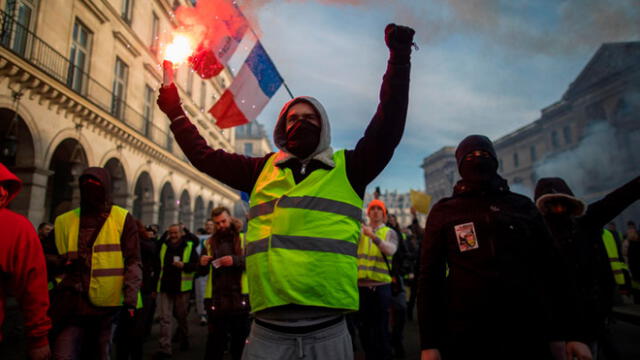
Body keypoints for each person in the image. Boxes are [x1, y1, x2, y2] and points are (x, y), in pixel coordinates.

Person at [157, 23, 414, 360]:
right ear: (282, 129)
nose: (300, 123)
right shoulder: (260, 170)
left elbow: (389, 123)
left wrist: (399, 58)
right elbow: (204, 156)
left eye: (310, 118)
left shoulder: (350, 168)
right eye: (292, 119)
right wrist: (175, 111)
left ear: (323, 129)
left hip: (329, 330)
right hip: (266, 333)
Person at [418, 135, 581, 360]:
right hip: (465, 334)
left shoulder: (521, 206)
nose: (478, 160)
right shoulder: (444, 211)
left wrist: (571, 334)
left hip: (527, 331)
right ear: (460, 164)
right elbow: (429, 279)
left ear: (494, 161)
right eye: (471, 156)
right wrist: (429, 343)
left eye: (484, 155)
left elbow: (551, 270)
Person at [534, 175, 640, 358]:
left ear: (571, 204)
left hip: (597, 322)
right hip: (566, 331)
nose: (559, 209)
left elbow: (618, 198)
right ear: (544, 208)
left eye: (563, 204)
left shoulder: (586, 222)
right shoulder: (537, 237)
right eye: (552, 205)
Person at [46, 167, 142, 360]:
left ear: (105, 188)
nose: (90, 190)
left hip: (106, 306)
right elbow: (45, 255)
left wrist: (130, 301)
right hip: (70, 304)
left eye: (96, 185)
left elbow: (133, 261)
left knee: (99, 353)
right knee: (62, 354)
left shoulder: (121, 218)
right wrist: (62, 261)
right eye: (85, 185)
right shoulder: (64, 221)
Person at [0, 163, 51, 360]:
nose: (2, 191)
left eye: (5, 185)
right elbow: (33, 285)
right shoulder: (15, 227)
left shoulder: (14, 226)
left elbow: (32, 284)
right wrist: (39, 339)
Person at [199, 207, 250, 360]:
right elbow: (200, 273)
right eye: (217, 223)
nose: (221, 225)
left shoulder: (243, 239)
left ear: (230, 219)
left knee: (239, 345)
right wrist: (201, 263)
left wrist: (235, 260)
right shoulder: (209, 243)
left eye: (223, 221)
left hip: (240, 299)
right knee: (214, 345)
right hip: (216, 300)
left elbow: (254, 262)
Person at [357, 199, 397, 360]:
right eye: (372, 208)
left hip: (381, 287)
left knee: (381, 326)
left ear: (383, 214)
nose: (375, 211)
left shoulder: (389, 232)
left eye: (378, 209)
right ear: (368, 213)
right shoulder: (360, 232)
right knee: (364, 328)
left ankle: (384, 355)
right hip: (361, 286)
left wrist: (372, 236)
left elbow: (391, 250)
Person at [115, 219, 160, 360]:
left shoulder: (144, 244)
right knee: (122, 334)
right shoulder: (121, 243)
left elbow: (155, 263)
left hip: (141, 293)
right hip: (121, 292)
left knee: (135, 333)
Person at [154, 224, 199, 359]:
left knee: (181, 316)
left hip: (182, 288)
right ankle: (165, 348)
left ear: (181, 233)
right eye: (171, 233)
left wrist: (184, 265)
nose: (173, 236)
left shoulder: (189, 246)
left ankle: (184, 338)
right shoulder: (163, 246)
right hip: (165, 286)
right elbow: (156, 261)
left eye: (176, 233)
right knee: (165, 318)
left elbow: (196, 266)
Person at [195, 219, 215, 326]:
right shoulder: (199, 238)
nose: (208, 227)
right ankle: (203, 314)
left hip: (213, 269)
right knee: (201, 293)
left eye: (211, 225)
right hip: (202, 270)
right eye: (207, 225)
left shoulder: (217, 237)